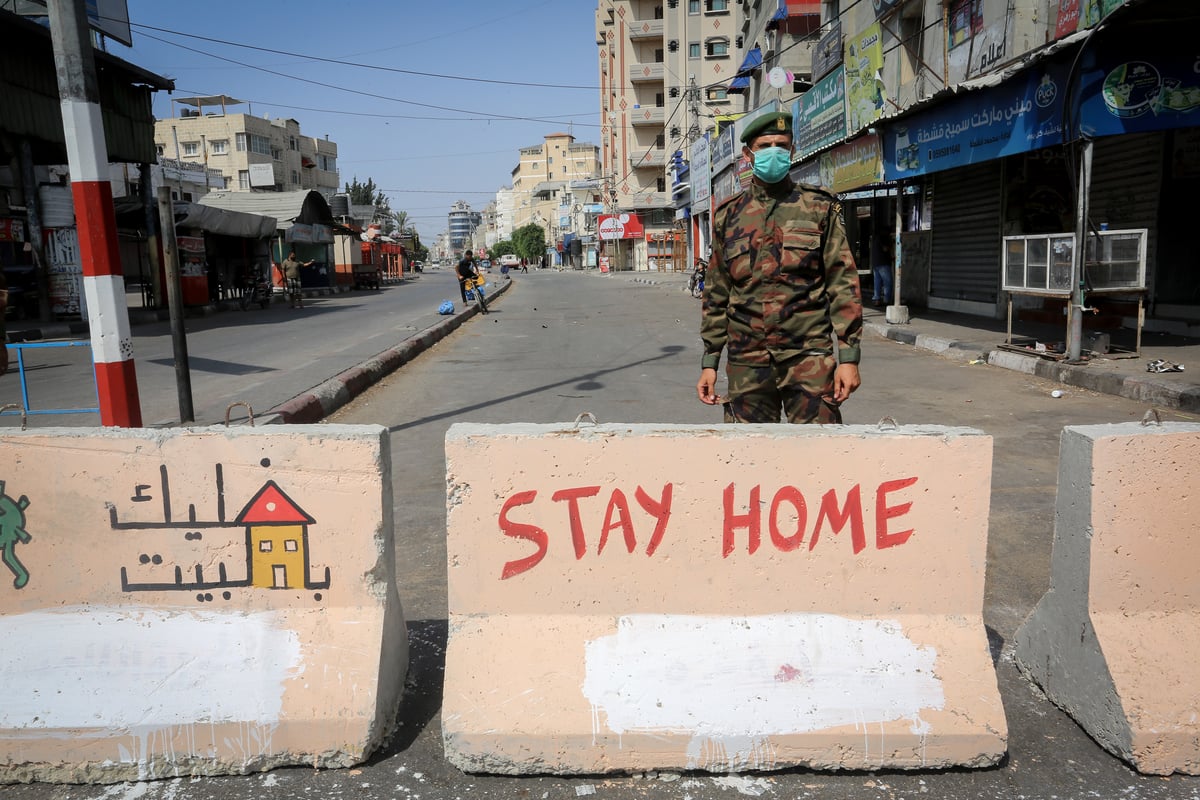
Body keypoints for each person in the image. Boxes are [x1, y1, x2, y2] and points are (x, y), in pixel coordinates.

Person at [696, 110, 863, 424]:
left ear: (792, 151)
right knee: (748, 458)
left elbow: (843, 283)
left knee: (820, 455)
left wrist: (849, 358)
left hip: (808, 356)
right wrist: (710, 362)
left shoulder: (818, 207)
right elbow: (716, 293)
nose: (774, 151)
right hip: (747, 360)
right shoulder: (729, 215)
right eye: (765, 145)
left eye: (782, 145)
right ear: (748, 154)